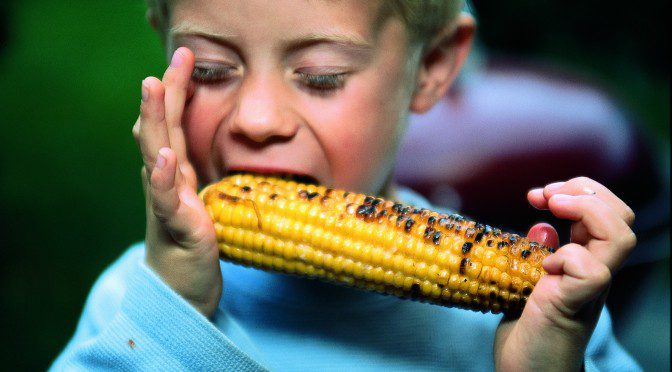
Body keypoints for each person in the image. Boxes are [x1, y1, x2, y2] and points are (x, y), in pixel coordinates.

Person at [51, 1, 640, 370]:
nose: (256, 119)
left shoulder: (551, 322)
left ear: (431, 66)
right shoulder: (138, 306)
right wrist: (175, 314)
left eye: (321, 77)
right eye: (209, 69)